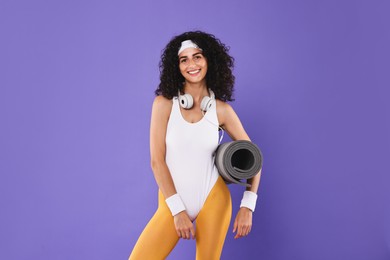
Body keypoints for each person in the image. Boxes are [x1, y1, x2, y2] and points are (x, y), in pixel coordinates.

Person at [129, 31, 261, 260]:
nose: (192, 64)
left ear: (209, 60)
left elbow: (254, 159)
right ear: (176, 66)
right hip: (173, 200)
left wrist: (247, 206)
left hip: (214, 198)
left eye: (197, 56)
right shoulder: (163, 104)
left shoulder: (222, 111)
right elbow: (156, 161)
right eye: (184, 59)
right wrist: (178, 210)